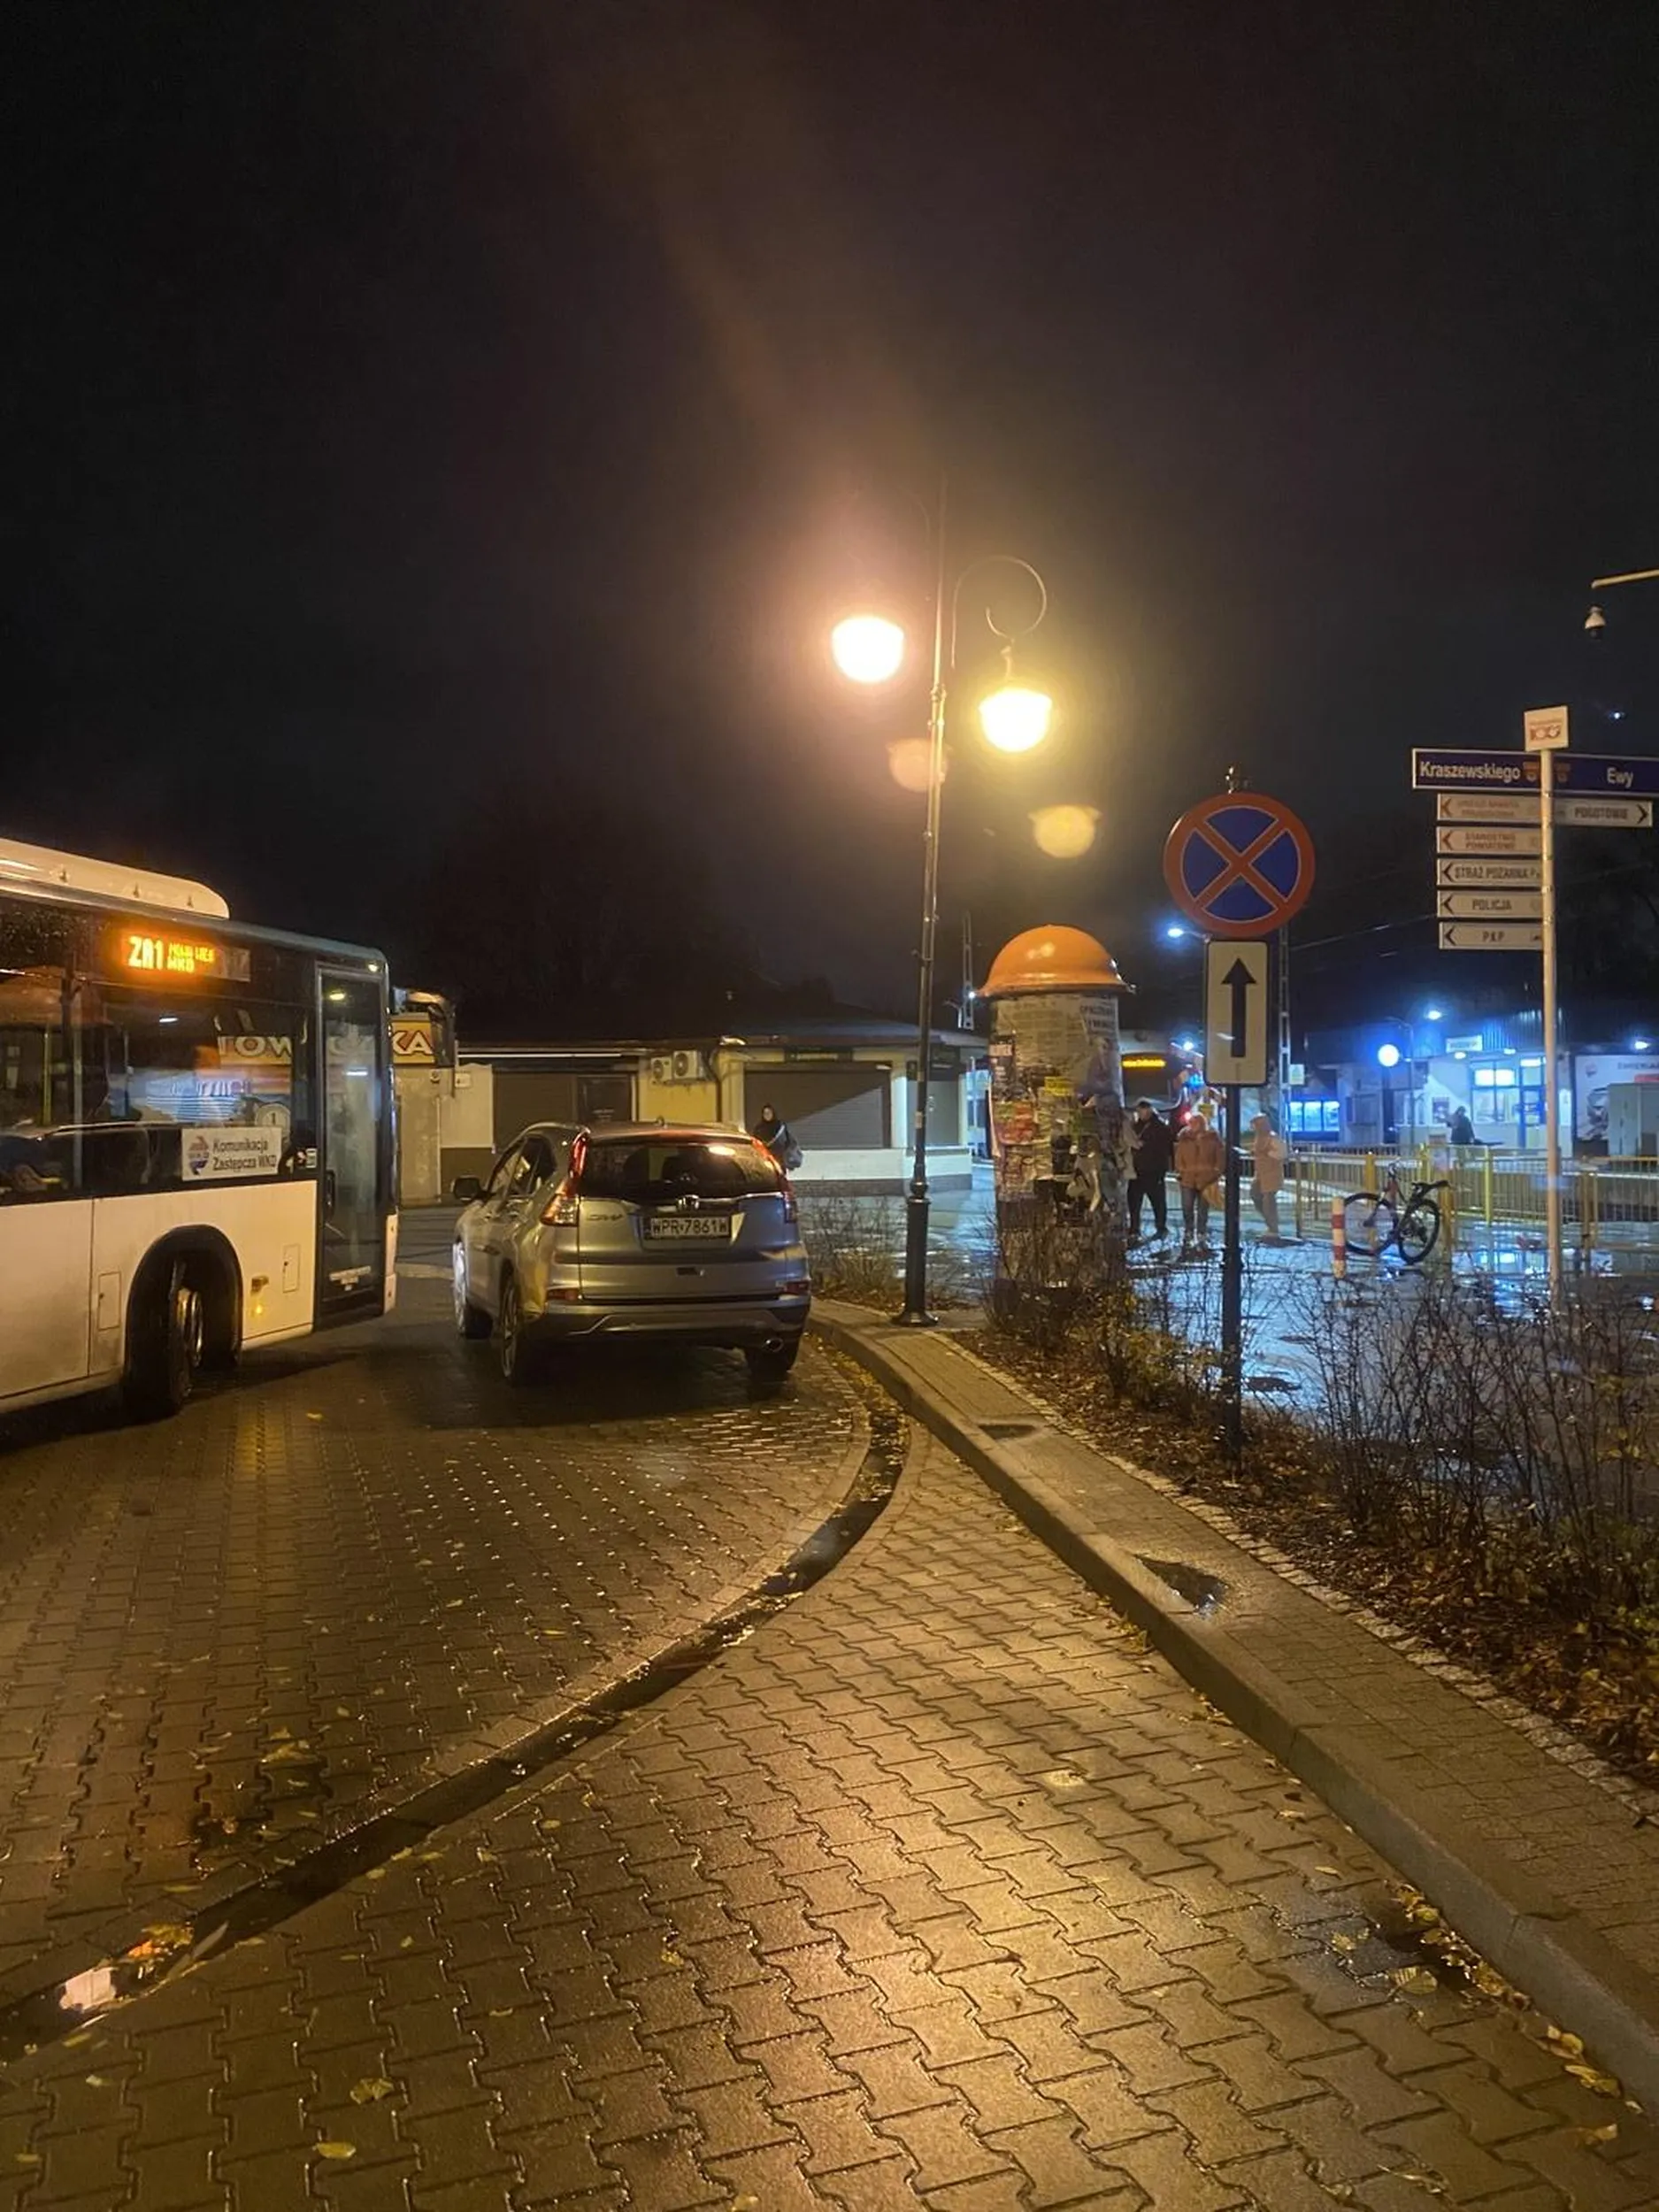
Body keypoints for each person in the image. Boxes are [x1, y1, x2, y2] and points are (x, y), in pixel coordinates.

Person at [1174, 1108, 1225, 1254]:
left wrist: (1215, 1173)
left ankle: (1201, 1233)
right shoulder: (1184, 1138)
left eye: (1195, 1122)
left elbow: (1220, 1158)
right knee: (1187, 1207)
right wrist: (1182, 1171)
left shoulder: (1213, 1138)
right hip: (1188, 1179)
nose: (1193, 1125)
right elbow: (1179, 1157)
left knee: (1203, 1210)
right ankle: (1189, 1231)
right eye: (1191, 1122)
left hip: (1206, 1179)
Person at [1126, 1100, 1172, 1241]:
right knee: (1134, 1202)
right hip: (1137, 1170)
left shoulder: (1160, 1127)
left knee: (1157, 1201)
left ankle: (1160, 1227)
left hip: (1153, 1170)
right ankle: (1135, 1228)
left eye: (1144, 1111)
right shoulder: (1135, 1126)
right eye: (1139, 1111)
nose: (1141, 1114)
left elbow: (1165, 1149)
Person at [1249, 1112, 1287, 1240]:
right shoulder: (1259, 1137)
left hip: (1272, 1174)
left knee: (1268, 1200)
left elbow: (1282, 1153)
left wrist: (1267, 1153)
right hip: (1260, 1173)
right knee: (1255, 1194)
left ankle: (1273, 1228)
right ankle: (1270, 1222)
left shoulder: (1273, 1137)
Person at [749, 1102, 801, 1169]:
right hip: (764, 1160)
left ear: (773, 1113)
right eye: (765, 1113)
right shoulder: (759, 1128)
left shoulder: (780, 1126)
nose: (767, 1115)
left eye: (769, 1113)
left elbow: (786, 1142)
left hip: (779, 1160)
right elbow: (754, 1143)